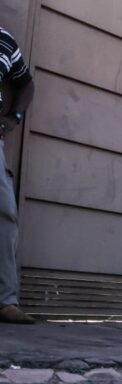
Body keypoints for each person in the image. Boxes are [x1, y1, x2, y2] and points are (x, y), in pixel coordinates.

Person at [0, 26, 34, 324]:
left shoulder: (5, 40)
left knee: (5, 214)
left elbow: (26, 84)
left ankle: (4, 302)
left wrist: (14, 117)